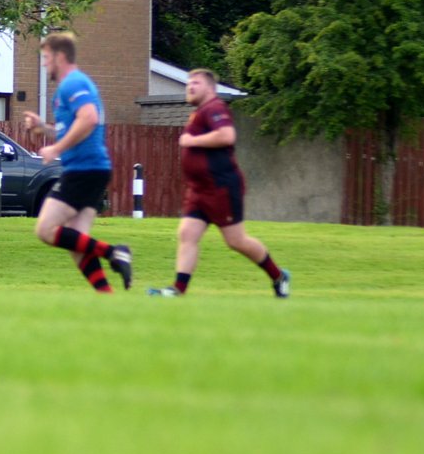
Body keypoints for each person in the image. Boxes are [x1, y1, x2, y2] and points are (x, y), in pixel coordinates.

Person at [147, 69, 290, 298]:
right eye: (188, 83)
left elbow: (226, 136)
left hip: (220, 188)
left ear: (210, 88)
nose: (190, 86)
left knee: (236, 241)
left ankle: (279, 276)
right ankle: (178, 289)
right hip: (199, 189)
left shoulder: (214, 108)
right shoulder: (199, 112)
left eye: (196, 83)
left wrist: (192, 140)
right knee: (187, 233)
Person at [22, 32, 131, 292]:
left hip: (85, 170)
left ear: (60, 56)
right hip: (92, 170)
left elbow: (89, 118)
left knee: (46, 229)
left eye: (46, 57)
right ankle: (107, 296)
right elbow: (72, 130)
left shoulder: (73, 83)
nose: (44, 64)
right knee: (76, 241)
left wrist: (56, 149)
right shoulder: (66, 89)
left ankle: (115, 252)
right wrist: (44, 128)